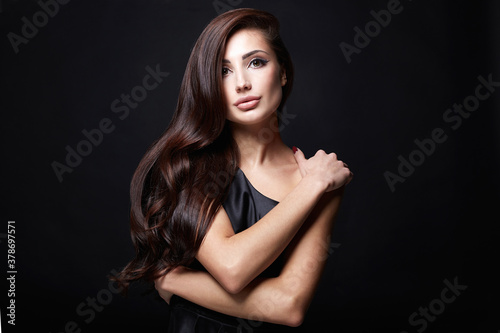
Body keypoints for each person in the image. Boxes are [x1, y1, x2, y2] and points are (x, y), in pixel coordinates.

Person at [115, 8, 352, 332]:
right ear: (209, 86)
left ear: (282, 72)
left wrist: (175, 281)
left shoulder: (320, 178)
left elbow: (289, 305)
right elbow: (233, 268)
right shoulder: (191, 166)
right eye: (223, 71)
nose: (241, 83)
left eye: (256, 62)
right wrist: (312, 187)